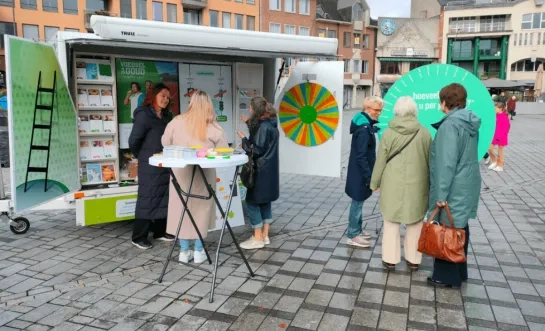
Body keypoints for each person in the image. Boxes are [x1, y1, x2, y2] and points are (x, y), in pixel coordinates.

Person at [162, 90, 228, 263]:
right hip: (204, 176)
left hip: (180, 174)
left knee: (182, 209)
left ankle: (184, 251)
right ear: (208, 105)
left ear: (190, 103)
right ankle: (199, 251)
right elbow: (223, 149)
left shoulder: (176, 121)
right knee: (201, 211)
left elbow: (165, 142)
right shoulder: (213, 126)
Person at [427, 83, 481, 289]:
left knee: (448, 227)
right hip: (466, 182)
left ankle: (446, 276)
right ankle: (460, 271)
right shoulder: (468, 122)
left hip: (453, 185)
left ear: (444, 102)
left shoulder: (450, 125)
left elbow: (445, 163)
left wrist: (440, 194)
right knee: (459, 226)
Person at [370, 96, 432, 271]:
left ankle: (390, 259)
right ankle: (413, 259)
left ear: (396, 111)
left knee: (391, 222)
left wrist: (374, 182)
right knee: (415, 221)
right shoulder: (424, 132)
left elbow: (381, 160)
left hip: (392, 183)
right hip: (417, 184)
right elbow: (430, 161)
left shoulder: (388, 132)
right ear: (414, 110)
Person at [129, 83, 175, 249]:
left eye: (168, 97)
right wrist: (142, 156)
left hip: (164, 162)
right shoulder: (144, 115)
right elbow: (134, 141)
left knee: (163, 196)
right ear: (153, 96)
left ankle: (160, 231)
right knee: (147, 197)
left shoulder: (166, 116)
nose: (165, 99)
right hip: (149, 163)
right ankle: (138, 236)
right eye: (162, 95)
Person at [237, 97, 280, 250]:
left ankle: (257, 237)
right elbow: (260, 136)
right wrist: (248, 123)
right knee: (265, 201)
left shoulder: (263, 127)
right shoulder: (271, 124)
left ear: (256, 110)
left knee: (252, 202)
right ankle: (265, 235)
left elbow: (256, 150)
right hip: (269, 171)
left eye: (250, 108)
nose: (249, 110)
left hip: (260, 171)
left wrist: (243, 140)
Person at [345, 96, 384, 248]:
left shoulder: (364, 125)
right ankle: (353, 234)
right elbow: (362, 156)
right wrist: (369, 177)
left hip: (358, 172)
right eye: (376, 110)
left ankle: (357, 230)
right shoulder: (363, 129)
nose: (378, 113)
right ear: (367, 109)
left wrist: (373, 128)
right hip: (360, 173)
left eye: (380, 110)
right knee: (357, 202)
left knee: (358, 201)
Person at [487, 102, 511, 172]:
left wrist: (500, 136)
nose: (494, 109)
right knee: (490, 149)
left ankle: (500, 165)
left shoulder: (504, 117)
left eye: (496, 108)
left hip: (501, 136)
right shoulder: (496, 115)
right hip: (495, 135)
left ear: (500, 109)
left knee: (500, 151)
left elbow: (506, 128)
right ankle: (495, 161)